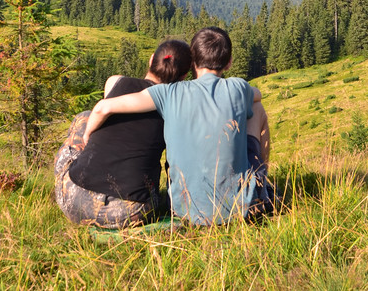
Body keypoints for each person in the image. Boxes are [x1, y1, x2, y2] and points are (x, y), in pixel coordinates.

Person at [83, 27, 275, 225]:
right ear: (229, 63)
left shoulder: (168, 92)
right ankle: (261, 184)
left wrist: (87, 134)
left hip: (183, 209)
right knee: (257, 108)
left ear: (193, 63)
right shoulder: (239, 87)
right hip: (238, 209)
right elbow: (257, 95)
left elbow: (105, 107)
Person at [54, 39, 192, 228]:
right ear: (184, 76)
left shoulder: (115, 82)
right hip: (128, 213)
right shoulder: (175, 108)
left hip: (74, 202)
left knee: (84, 117)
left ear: (152, 59)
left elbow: (103, 112)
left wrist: (87, 135)